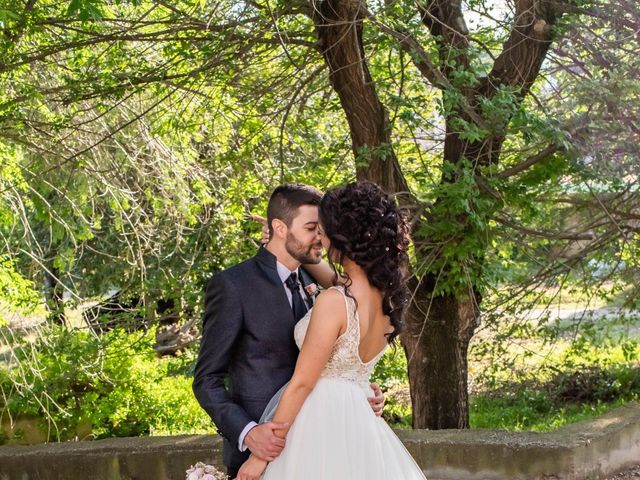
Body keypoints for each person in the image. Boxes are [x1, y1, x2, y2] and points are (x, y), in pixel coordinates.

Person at [236, 181, 427, 480]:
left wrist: (262, 456)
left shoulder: (335, 302)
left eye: (323, 229)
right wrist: (280, 241)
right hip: (360, 423)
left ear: (342, 237)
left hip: (318, 424)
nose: (319, 237)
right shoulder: (386, 301)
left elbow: (301, 383)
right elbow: (329, 274)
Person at [192, 183, 385, 479]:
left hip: (321, 446)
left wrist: (358, 392)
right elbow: (207, 379)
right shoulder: (233, 285)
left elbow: (335, 357)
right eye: (311, 228)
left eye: (322, 229)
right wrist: (248, 432)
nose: (320, 237)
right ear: (280, 228)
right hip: (259, 451)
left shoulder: (326, 287)